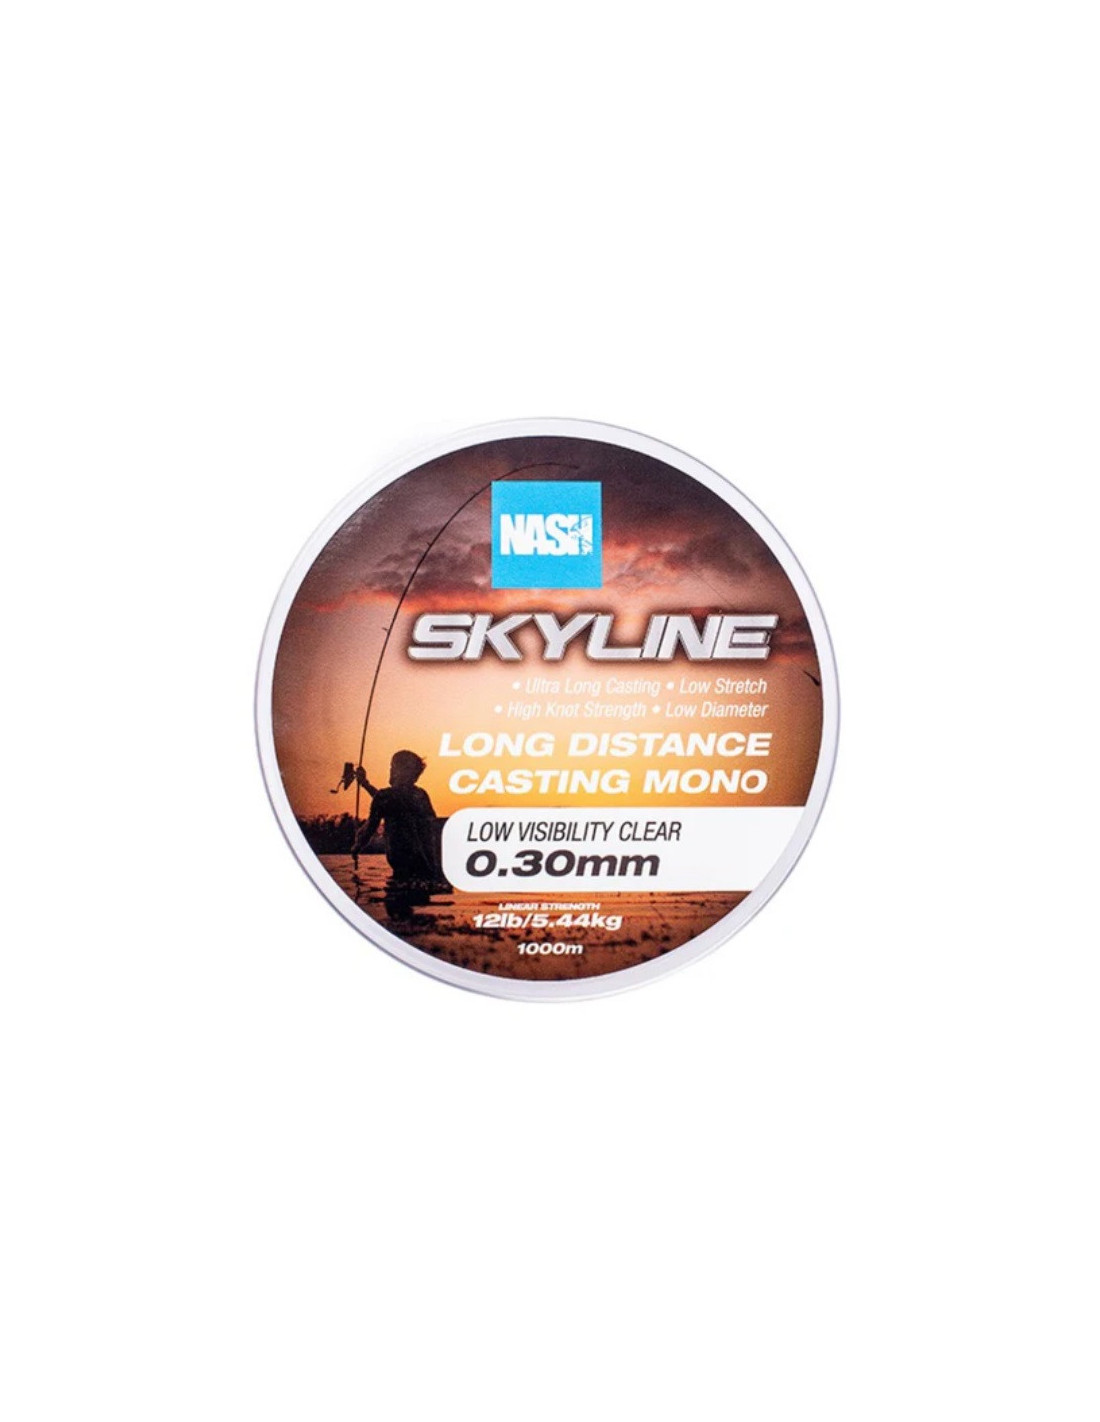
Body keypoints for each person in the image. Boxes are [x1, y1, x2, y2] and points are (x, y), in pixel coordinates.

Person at [352, 750, 444, 885]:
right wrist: (365, 784)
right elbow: (394, 802)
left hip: (402, 867)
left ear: (401, 771)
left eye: (393, 766)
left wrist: (357, 846)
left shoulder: (385, 797)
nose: (390, 770)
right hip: (427, 867)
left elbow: (370, 828)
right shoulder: (420, 795)